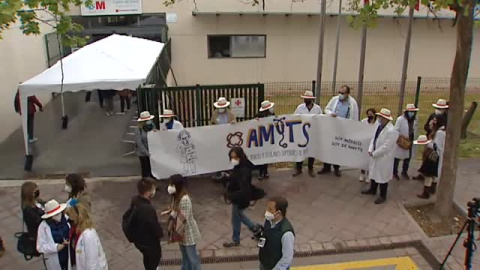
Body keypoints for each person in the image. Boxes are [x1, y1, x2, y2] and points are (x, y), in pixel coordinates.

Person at [223, 147, 262, 247]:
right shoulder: (241, 166)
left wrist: (231, 195)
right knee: (237, 217)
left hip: (240, 197)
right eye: (231, 157)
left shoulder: (243, 170)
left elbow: (243, 186)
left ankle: (252, 229)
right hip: (239, 197)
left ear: (240, 156)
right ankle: (254, 229)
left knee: (237, 218)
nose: (233, 159)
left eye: (235, 157)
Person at [320, 85, 359, 177]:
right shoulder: (334, 100)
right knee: (328, 147)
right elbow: (326, 109)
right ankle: (326, 166)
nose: (340, 95)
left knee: (337, 149)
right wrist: (330, 114)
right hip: (332, 127)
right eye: (339, 92)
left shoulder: (352, 103)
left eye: (342, 93)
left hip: (343, 129)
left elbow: (354, 118)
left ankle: (336, 168)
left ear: (348, 94)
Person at [361, 108, 398, 204]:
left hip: (384, 158)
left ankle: (382, 195)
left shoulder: (391, 131)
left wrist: (375, 153)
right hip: (375, 154)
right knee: (374, 173)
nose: (379, 118)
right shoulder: (379, 126)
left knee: (382, 177)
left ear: (386, 118)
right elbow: (374, 138)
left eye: (381, 117)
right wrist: (370, 149)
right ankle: (372, 190)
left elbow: (386, 147)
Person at [165, 175, 201, 270]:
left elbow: (183, 218)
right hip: (181, 233)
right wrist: (171, 211)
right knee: (185, 258)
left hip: (188, 234)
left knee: (193, 259)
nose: (169, 187)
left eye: (171, 184)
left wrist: (173, 214)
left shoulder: (184, 199)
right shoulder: (175, 196)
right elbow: (177, 210)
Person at [130, 178, 163, 270]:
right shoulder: (147, 209)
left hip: (140, 240)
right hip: (149, 242)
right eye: (153, 189)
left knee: (148, 260)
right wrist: (160, 233)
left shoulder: (135, 200)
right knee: (152, 260)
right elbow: (154, 226)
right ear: (148, 192)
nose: (154, 191)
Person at [64, 204, 108, 270]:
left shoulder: (89, 235)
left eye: (70, 218)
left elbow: (92, 262)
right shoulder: (75, 230)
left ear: (77, 218)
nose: (69, 220)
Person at [258, 196, 295, 270]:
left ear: (278, 213)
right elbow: (265, 234)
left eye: (270, 209)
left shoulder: (286, 233)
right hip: (265, 263)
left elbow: (287, 258)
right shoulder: (269, 220)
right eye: (267, 207)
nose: (267, 211)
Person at [414, 116, 446, 198]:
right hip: (435, 156)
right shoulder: (440, 131)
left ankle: (426, 192)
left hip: (434, 157)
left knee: (429, 174)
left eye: (434, 121)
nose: (431, 122)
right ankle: (432, 188)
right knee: (433, 174)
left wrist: (428, 143)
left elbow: (437, 146)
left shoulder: (440, 133)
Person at [293, 91, 322, 177]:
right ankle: (298, 168)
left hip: (313, 132)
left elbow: (321, 119)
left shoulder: (317, 108)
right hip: (302, 133)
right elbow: (294, 117)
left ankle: (310, 168)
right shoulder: (300, 108)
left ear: (311, 99)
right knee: (300, 150)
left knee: (312, 151)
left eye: (307, 98)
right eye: (305, 98)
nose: (305, 100)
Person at [37, 199, 71, 270]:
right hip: (55, 258)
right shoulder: (43, 227)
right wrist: (57, 247)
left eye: (59, 213)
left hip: (69, 255)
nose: (59, 216)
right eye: (55, 214)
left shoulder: (66, 219)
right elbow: (40, 247)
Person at [393, 104, 419, 181]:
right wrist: (401, 137)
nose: (412, 113)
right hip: (401, 141)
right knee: (397, 158)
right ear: (407, 112)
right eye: (410, 112)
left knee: (408, 157)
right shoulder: (400, 119)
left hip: (410, 141)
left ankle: (404, 171)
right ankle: (395, 172)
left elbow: (415, 129)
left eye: (413, 112)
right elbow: (396, 130)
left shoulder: (415, 120)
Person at [256, 101, 275, 180]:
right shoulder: (259, 116)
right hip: (261, 138)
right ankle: (260, 172)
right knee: (261, 156)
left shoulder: (272, 114)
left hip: (269, 138)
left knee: (267, 155)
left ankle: (265, 171)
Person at [359, 108, 379, 182]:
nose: (369, 115)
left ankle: (369, 175)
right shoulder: (364, 121)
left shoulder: (378, 123)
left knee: (370, 160)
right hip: (364, 143)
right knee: (363, 159)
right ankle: (362, 173)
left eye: (371, 114)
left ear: (374, 115)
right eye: (368, 114)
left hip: (372, 144)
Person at [135, 111, 157, 178]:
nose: (149, 121)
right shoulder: (138, 129)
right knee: (145, 170)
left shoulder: (152, 126)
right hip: (143, 154)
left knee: (152, 170)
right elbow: (139, 142)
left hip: (151, 151)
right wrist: (146, 152)